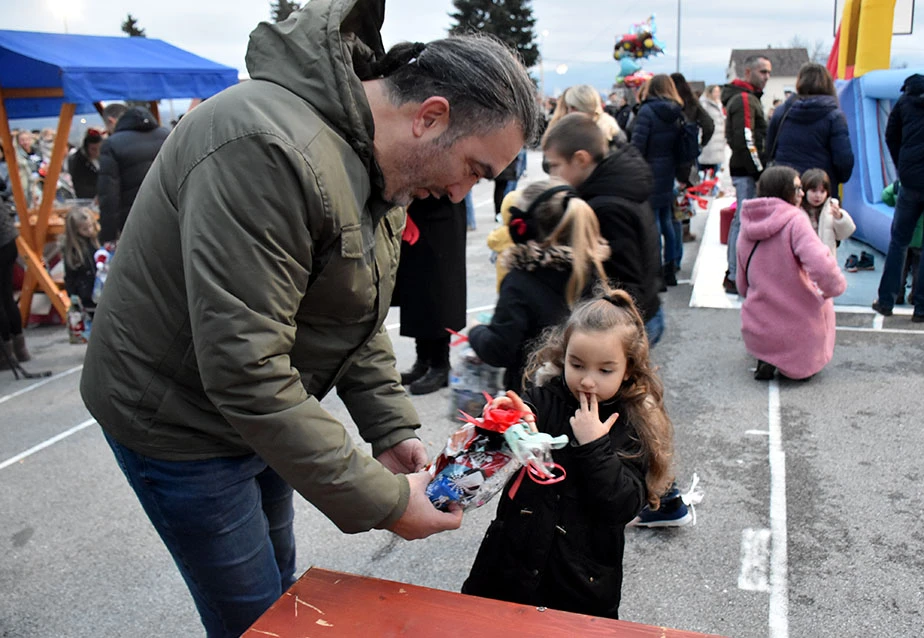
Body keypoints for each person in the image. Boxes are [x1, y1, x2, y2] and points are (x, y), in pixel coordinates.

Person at [78, 0, 540, 633]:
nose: (462, 196)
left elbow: (352, 313)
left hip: (257, 416)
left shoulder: (376, 163)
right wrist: (385, 504)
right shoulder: (265, 147)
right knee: (259, 618)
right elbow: (245, 370)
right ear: (431, 117)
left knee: (283, 596)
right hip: (179, 424)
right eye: (472, 171)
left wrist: (391, 427)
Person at [462, 287, 675, 619]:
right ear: (564, 357)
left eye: (605, 370)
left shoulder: (632, 423)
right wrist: (503, 421)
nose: (588, 381)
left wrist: (594, 446)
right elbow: (503, 441)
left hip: (580, 583)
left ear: (628, 369)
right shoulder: (546, 399)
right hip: (509, 565)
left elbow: (623, 505)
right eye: (577, 364)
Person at [467, 179, 610, 393]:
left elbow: (499, 350)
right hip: (582, 392)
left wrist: (475, 331)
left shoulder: (520, 282)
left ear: (521, 229)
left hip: (533, 398)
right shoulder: (592, 270)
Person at [542, 113, 664, 343]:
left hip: (629, 324)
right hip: (644, 311)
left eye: (555, 166)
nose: (552, 175)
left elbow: (626, 282)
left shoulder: (607, 207)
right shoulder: (617, 183)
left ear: (580, 159)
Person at [736, 166, 846, 380]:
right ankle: (797, 365)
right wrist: (835, 287)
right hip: (796, 325)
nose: (802, 193)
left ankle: (766, 356)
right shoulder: (795, 221)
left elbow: (742, 281)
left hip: (759, 321)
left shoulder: (747, 223)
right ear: (784, 190)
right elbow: (821, 265)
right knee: (821, 307)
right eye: (797, 188)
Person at [872, 47, 924, 322]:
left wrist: (903, 166)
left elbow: (891, 134)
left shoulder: (910, 94)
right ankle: (923, 305)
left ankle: (886, 300)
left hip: (910, 180)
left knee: (898, 241)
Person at [394, 196, 467, 395]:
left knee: (440, 292)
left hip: (442, 208)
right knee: (416, 289)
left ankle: (440, 364)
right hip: (416, 210)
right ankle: (423, 361)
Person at [766, 63, 854, 199]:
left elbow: (769, 149)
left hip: (786, 187)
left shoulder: (781, 112)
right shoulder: (834, 116)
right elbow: (843, 160)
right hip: (820, 188)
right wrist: (835, 179)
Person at [722, 54, 772, 294]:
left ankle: (735, 273)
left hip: (746, 169)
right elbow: (745, 138)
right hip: (747, 171)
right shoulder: (744, 98)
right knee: (742, 222)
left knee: (741, 221)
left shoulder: (747, 98)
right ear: (749, 72)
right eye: (763, 72)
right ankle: (734, 274)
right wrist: (759, 170)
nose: (767, 77)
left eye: (769, 73)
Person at [631, 74, 687, 286]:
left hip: (649, 172)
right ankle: (670, 269)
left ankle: (656, 273)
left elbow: (638, 145)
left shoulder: (647, 111)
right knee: (667, 221)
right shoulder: (676, 111)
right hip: (669, 171)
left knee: (653, 223)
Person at [96, 105, 170, 242]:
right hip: (170, 218)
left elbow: (109, 196)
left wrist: (108, 237)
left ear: (111, 121)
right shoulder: (166, 135)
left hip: (134, 225)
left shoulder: (112, 144)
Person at [671, 72, 715, 245]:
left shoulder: (670, 102)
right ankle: (685, 230)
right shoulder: (692, 102)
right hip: (688, 155)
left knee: (672, 192)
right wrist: (700, 144)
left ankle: (673, 231)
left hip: (671, 153)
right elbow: (709, 124)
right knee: (686, 192)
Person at [0, 171, 29, 367]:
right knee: (6, 296)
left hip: (2, 243)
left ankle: (6, 355)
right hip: (8, 240)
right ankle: (20, 350)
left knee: (1, 299)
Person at [800, 168, 855, 260]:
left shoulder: (831, 208)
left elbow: (845, 233)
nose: (818, 196)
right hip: (804, 260)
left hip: (826, 260)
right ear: (804, 190)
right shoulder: (798, 210)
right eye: (813, 191)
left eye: (822, 192)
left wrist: (840, 218)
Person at [558, 84, 627, 149]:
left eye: (572, 107)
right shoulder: (601, 125)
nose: (569, 112)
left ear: (582, 107)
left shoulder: (602, 131)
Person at [61, 207, 101, 315]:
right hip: (86, 293)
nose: (89, 231)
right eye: (85, 229)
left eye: (90, 226)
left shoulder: (98, 240)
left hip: (102, 290)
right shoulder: (73, 250)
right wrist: (72, 294)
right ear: (76, 231)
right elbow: (70, 275)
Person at [697, 84, 727, 181]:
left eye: (719, 91)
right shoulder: (704, 104)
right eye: (716, 91)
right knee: (705, 168)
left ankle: (714, 187)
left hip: (719, 141)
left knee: (717, 171)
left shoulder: (719, 104)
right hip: (709, 141)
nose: (718, 94)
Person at [68, 129, 103, 200]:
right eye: (93, 149)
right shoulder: (77, 161)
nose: (97, 152)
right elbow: (80, 187)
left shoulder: (103, 158)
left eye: (99, 148)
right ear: (86, 148)